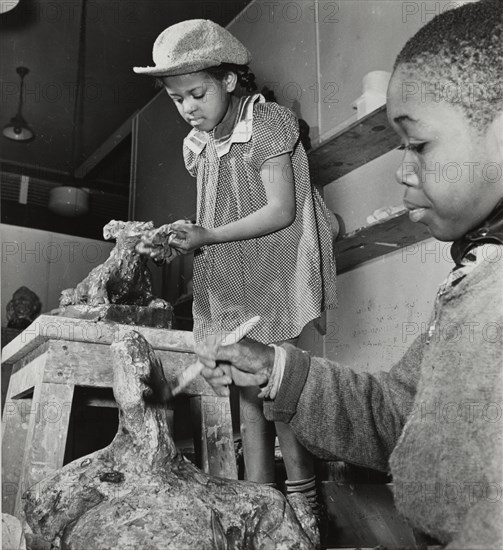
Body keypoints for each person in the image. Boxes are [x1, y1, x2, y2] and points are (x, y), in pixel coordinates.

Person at [197, 1, 503, 548]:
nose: (403, 170)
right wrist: (276, 370)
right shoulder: (477, 278)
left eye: (419, 144)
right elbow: (397, 414)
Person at [133, 19, 337, 512]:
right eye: (177, 99)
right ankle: (260, 506)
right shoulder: (198, 145)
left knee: (280, 386)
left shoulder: (267, 123)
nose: (188, 108)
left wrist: (208, 235)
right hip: (232, 275)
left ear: (228, 79)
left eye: (197, 93)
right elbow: (219, 209)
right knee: (245, 392)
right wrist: (185, 237)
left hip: (277, 268)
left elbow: (279, 210)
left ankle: (305, 510)